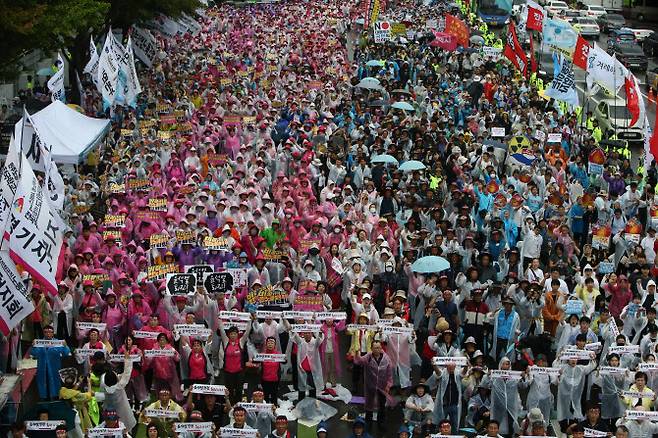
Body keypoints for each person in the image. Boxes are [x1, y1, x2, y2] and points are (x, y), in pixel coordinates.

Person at [354, 340, 393, 426]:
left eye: (378, 348)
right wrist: (357, 353)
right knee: (369, 404)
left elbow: (389, 373)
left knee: (382, 404)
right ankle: (368, 422)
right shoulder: (368, 357)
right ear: (371, 348)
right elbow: (359, 361)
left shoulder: (386, 359)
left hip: (382, 386)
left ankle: (381, 422)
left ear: (381, 348)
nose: (377, 350)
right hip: (370, 384)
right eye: (375, 348)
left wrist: (388, 385)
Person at [31, 325, 71, 400]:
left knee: (55, 384)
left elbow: (66, 353)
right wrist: (33, 346)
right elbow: (34, 353)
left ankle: (55, 397)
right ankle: (44, 399)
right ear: (43, 333)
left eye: (50, 332)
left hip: (54, 369)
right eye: (46, 332)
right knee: (43, 385)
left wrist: (65, 346)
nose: (48, 334)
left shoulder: (57, 343)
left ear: (53, 333)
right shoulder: (39, 343)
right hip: (43, 369)